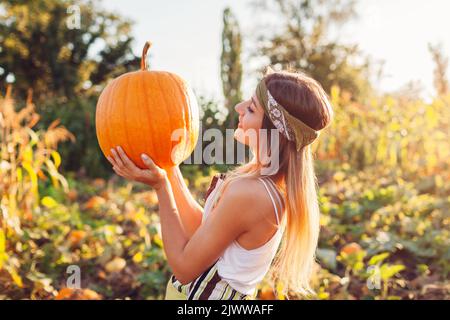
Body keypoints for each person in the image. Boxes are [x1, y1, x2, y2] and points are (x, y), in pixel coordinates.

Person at [107, 68, 333, 300]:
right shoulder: (260, 182)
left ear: (273, 130)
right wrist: (168, 167)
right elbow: (204, 232)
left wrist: (161, 187)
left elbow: (184, 269)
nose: (239, 108)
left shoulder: (253, 194)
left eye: (252, 108)